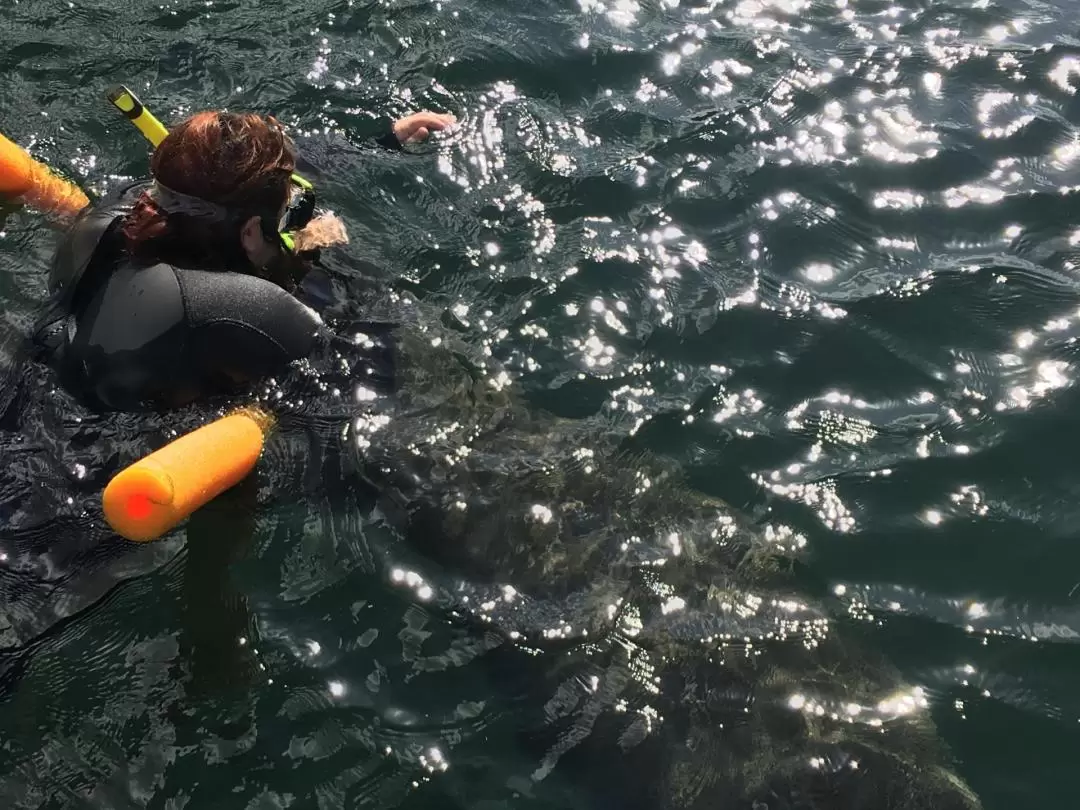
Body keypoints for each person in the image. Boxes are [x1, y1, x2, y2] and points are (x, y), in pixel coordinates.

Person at [31, 108, 454, 411]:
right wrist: (319, 259)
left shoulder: (114, 217)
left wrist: (384, 140)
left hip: (26, 398)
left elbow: (225, 180)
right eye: (287, 214)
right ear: (251, 232)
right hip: (93, 490)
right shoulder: (245, 309)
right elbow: (372, 381)